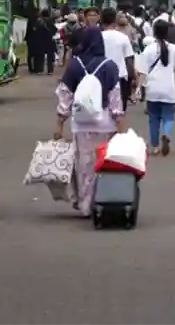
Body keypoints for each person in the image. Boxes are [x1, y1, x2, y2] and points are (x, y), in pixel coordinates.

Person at [54, 27, 127, 216]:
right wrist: (120, 124)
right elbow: (115, 98)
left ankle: (85, 205)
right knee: (103, 163)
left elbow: (65, 95)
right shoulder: (110, 66)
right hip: (105, 122)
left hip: (81, 123)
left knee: (84, 164)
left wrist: (59, 123)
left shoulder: (75, 65)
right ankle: (101, 201)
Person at [138, 20, 175, 156]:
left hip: (153, 88)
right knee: (168, 116)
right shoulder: (173, 49)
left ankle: (155, 146)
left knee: (154, 118)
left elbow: (142, 72)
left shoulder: (148, 49)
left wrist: (140, 89)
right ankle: (167, 134)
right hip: (168, 87)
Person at [101, 7, 136, 111]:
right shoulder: (123, 38)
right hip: (120, 76)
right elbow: (129, 60)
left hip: (101, 75)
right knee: (119, 110)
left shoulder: (98, 37)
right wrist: (133, 77)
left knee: (103, 107)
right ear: (115, 20)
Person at [29, 9, 57, 75]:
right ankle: (50, 70)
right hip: (49, 40)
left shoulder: (38, 21)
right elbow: (55, 30)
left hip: (40, 41)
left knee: (40, 56)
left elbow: (34, 29)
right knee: (50, 56)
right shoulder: (50, 21)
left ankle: (40, 70)